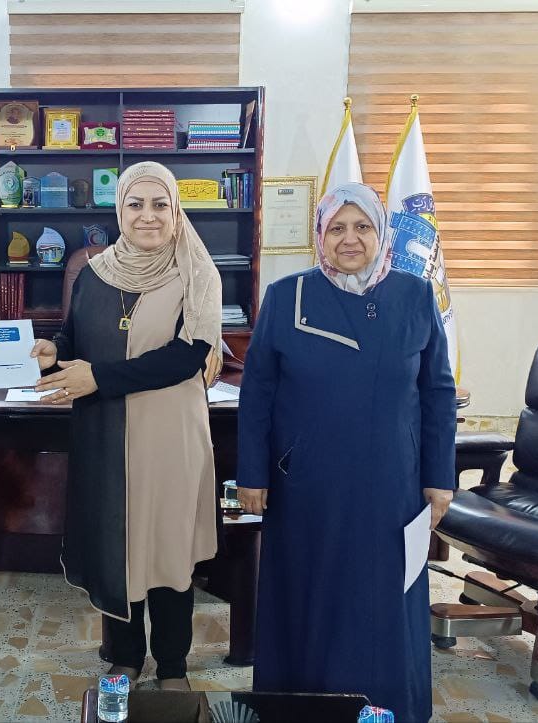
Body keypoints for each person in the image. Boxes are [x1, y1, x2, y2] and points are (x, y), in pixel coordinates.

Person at [236, 182, 456, 722]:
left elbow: (437, 392)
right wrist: (252, 474)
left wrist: (439, 476)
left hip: (393, 485)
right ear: (320, 235)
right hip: (308, 485)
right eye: (337, 227)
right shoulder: (287, 297)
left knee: (385, 597)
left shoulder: (415, 296)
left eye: (362, 227)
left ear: (382, 234)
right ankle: (300, 710)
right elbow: (257, 392)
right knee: (309, 595)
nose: (350, 239)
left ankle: (390, 707)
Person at [31, 161, 224, 690]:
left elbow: (187, 357)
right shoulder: (94, 273)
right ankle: (125, 657)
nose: (148, 215)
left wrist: (98, 378)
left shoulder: (196, 272)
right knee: (117, 545)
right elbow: (74, 337)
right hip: (105, 433)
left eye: (160, 204)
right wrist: (53, 351)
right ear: (120, 210)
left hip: (169, 437)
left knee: (167, 548)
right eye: (135, 204)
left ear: (176, 210)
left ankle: (173, 665)